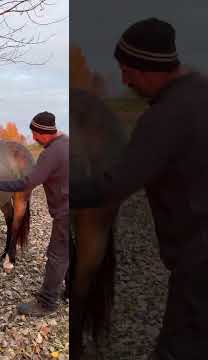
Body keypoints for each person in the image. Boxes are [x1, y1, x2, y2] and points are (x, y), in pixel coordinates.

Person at [70, 18, 208, 360]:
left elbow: (115, 184)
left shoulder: (166, 117)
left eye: (128, 69)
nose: (124, 79)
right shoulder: (200, 94)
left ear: (151, 68)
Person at [0, 112, 69, 316]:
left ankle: (46, 303)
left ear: (44, 133)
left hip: (66, 212)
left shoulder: (51, 153)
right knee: (69, 250)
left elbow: (27, 183)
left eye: (35, 134)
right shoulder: (66, 143)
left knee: (56, 255)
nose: (34, 138)